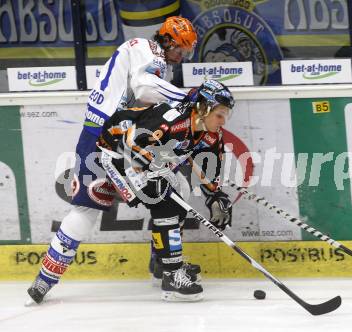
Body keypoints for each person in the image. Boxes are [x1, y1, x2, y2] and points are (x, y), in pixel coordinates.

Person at [27, 16, 197, 305]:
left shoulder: (140, 53)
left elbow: (140, 98)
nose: (181, 56)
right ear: (166, 40)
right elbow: (143, 87)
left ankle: (44, 281)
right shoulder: (150, 51)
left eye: (186, 52)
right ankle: (166, 267)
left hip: (100, 136)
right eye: (180, 49)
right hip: (114, 139)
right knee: (172, 193)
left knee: (91, 208)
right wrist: (188, 97)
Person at [98, 79, 235, 301]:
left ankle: (163, 262)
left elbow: (210, 168)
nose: (223, 121)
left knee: (181, 194)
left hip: (152, 159)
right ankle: (172, 276)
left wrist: (215, 196)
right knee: (165, 202)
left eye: (226, 115)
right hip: (117, 154)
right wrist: (151, 170)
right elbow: (130, 142)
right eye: (220, 114)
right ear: (203, 107)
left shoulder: (211, 133)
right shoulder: (173, 120)